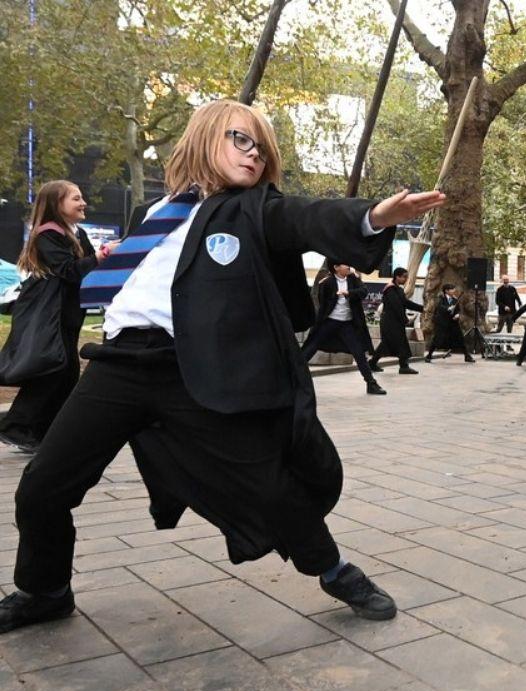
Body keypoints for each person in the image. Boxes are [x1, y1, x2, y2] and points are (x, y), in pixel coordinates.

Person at [0, 99, 445, 635]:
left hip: (190, 369)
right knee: (42, 484)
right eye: (241, 139)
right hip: (117, 364)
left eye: (262, 147)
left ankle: (335, 571)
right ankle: (45, 589)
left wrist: (373, 217)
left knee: (264, 482)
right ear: (205, 138)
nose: (254, 153)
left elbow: (302, 216)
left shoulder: (252, 209)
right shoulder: (154, 214)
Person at [0, 181, 107, 453]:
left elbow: (85, 269)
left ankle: (42, 432)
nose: (83, 203)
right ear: (56, 205)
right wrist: (103, 256)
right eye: (76, 198)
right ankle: (16, 427)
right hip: (49, 314)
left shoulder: (77, 233)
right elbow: (70, 270)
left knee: (66, 374)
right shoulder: (48, 234)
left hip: (68, 314)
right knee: (53, 371)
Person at [301, 263, 386, 395]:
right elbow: (322, 301)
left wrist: (348, 292)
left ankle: (371, 384)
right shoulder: (327, 282)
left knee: (359, 353)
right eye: (345, 264)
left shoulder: (353, 280)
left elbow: (363, 292)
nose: (349, 266)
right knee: (310, 348)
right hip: (329, 322)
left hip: (347, 324)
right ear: (336, 267)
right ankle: (289, 378)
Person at [368, 267, 423, 374]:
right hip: (390, 322)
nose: (406, 279)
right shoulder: (390, 289)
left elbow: (405, 303)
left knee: (388, 344)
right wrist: (405, 319)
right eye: (404, 277)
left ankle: (372, 363)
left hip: (395, 322)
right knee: (399, 343)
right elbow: (396, 306)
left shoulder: (398, 289)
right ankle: (403, 366)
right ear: (397, 277)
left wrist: (422, 308)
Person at [425, 284, 475, 363]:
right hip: (443, 323)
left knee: (461, 339)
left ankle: (467, 356)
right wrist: (448, 308)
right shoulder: (441, 299)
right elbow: (440, 307)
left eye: (453, 289)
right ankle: (429, 355)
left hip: (453, 323)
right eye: (452, 289)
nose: (454, 291)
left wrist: (457, 315)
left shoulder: (455, 300)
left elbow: (458, 310)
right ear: (446, 291)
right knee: (437, 339)